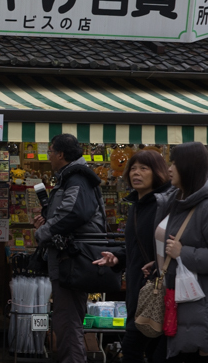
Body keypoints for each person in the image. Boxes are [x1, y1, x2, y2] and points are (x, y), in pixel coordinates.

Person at [33, 133, 105, 363]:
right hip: (69, 259)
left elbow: (74, 213)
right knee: (66, 320)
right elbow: (70, 213)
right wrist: (49, 219)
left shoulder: (76, 178)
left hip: (73, 260)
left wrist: (43, 232)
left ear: (60, 154)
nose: (49, 156)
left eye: (51, 151)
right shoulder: (71, 177)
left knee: (67, 321)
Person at [93, 150, 170, 363]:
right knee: (150, 350)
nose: (136, 173)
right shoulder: (137, 205)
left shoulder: (163, 205)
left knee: (135, 349)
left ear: (158, 172)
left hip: (157, 290)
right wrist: (117, 258)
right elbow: (136, 248)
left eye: (144, 168)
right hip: (139, 291)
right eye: (133, 168)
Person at [147, 142, 208, 361]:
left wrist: (183, 252)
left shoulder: (204, 206)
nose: (169, 168)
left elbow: (179, 248)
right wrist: (159, 262)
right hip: (176, 302)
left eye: (174, 163)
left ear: (189, 167)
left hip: (197, 308)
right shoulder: (177, 201)